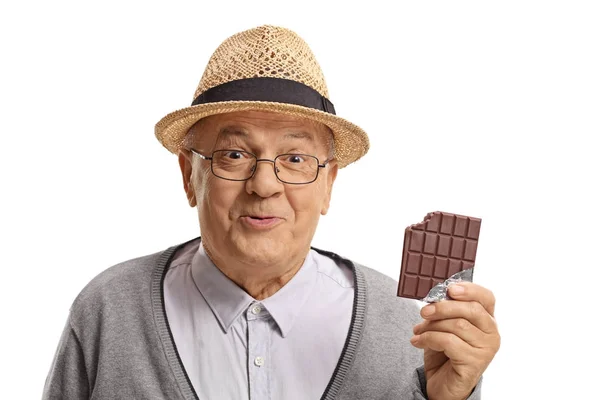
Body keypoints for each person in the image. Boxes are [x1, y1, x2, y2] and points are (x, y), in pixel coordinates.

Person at [43, 25, 500, 400]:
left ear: (328, 184)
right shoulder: (109, 311)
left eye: (295, 159)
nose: (264, 186)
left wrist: (452, 399)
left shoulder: (409, 326)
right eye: (234, 155)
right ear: (189, 176)